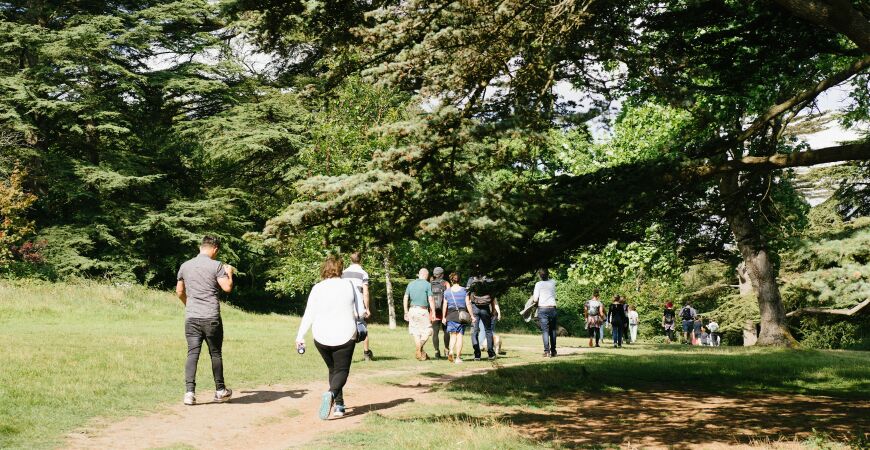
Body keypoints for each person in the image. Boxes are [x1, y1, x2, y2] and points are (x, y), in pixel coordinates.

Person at [296, 254, 361, 420]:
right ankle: (332, 394)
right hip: (345, 334)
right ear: (340, 269)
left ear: (324, 270)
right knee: (342, 370)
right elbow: (361, 311)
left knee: (333, 369)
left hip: (321, 336)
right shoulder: (349, 285)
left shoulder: (317, 288)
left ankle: (339, 405)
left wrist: (300, 335)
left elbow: (308, 313)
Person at [176, 236, 234, 406]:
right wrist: (229, 274)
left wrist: (190, 305)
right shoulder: (216, 265)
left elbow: (179, 291)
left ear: (201, 247)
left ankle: (189, 393)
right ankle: (220, 391)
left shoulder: (185, 266)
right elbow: (227, 287)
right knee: (215, 353)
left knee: (192, 353)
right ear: (215, 248)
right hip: (211, 317)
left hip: (192, 317)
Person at [341, 252, 374, 361]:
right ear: (361, 260)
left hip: (345, 305)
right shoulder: (363, 273)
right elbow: (365, 292)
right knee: (362, 328)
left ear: (350, 259)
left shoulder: (343, 273)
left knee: (345, 329)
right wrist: (367, 308)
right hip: (358, 305)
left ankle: (344, 354)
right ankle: (366, 353)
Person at [467, 271, 500, 361]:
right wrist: (493, 310)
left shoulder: (471, 279)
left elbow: (468, 295)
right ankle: (490, 353)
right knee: (488, 330)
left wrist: (470, 312)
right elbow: (492, 297)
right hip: (485, 308)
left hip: (474, 307)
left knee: (474, 331)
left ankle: (477, 354)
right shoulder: (489, 279)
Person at [403, 268, 436, 361]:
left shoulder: (411, 284)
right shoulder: (427, 284)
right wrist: (433, 312)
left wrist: (406, 312)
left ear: (419, 274)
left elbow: (405, 298)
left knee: (416, 332)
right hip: (422, 310)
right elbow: (430, 299)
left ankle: (420, 352)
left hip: (412, 310)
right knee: (429, 330)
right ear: (426, 275)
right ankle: (420, 347)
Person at [442, 272, 475, 363]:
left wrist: (443, 317)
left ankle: (451, 351)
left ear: (451, 280)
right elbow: (468, 303)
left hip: (450, 315)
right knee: (460, 336)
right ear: (459, 280)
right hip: (461, 316)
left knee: (453, 335)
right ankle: (458, 358)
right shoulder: (464, 290)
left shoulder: (447, 292)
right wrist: (472, 315)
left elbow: (445, 305)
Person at [532, 268, 558, 357]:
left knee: (545, 331)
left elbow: (535, 299)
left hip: (542, 309)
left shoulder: (538, 284)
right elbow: (551, 280)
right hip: (552, 308)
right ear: (548, 275)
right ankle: (553, 351)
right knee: (553, 330)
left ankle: (547, 351)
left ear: (539, 275)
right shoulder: (553, 282)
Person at [430, 267, 450, 359]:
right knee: (446, 331)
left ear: (434, 274)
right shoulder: (446, 283)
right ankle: (446, 349)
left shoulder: (430, 284)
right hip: (444, 310)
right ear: (442, 274)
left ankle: (436, 352)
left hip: (434, 311)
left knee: (435, 332)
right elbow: (449, 296)